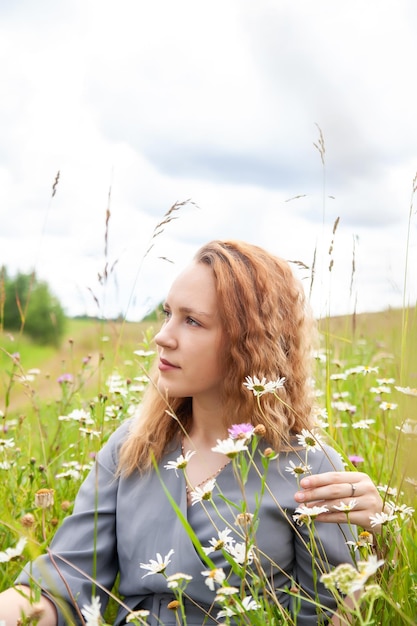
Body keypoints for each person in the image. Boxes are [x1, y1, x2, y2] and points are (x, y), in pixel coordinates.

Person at [0, 240, 383, 626]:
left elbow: (334, 610)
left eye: (192, 321)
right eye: (168, 314)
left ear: (250, 343)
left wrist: (376, 537)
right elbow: (62, 585)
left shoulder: (308, 467)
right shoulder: (131, 447)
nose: (162, 337)